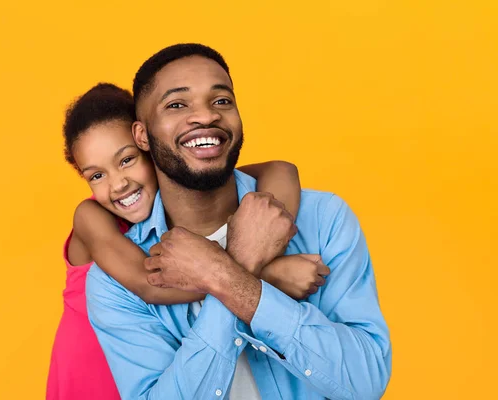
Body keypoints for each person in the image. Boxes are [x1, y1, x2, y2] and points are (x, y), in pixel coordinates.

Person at [86, 43, 392, 400]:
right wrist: (245, 267)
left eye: (221, 101)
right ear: (142, 136)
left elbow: (366, 381)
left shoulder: (323, 219)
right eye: (177, 105)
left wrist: (227, 278)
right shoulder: (115, 282)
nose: (205, 116)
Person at [47, 83, 326, 399]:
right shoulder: (90, 216)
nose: (118, 183)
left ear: (150, 143)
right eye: (96, 176)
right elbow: (150, 283)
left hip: (152, 357)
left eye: (126, 160)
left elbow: (280, 170)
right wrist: (266, 274)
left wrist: (264, 244)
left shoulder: (182, 194)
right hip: (94, 371)